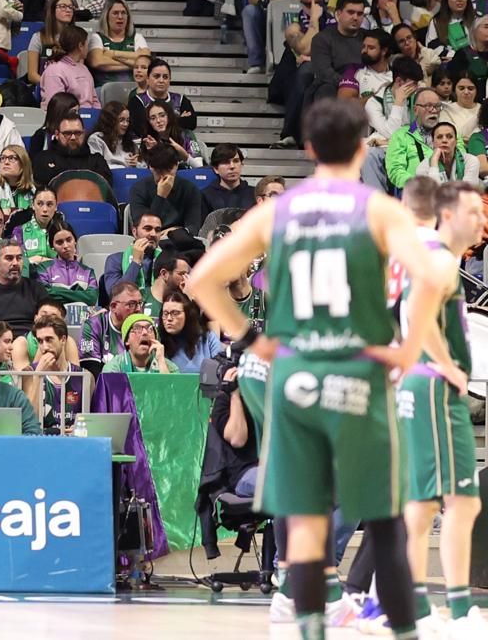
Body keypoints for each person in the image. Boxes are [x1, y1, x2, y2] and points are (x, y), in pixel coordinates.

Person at [187, 98, 460, 640]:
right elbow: (434, 277)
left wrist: (249, 339)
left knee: (307, 510)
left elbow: (200, 281)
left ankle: (308, 619)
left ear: (308, 149)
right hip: (356, 370)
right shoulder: (378, 209)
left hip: (294, 374)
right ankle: (399, 625)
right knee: (381, 507)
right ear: (364, 146)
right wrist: (407, 353)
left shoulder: (275, 211)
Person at [395, 179, 485, 636]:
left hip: (422, 386)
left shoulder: (434, 256)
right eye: (474, 212)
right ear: (448, 215)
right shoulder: (440, 260)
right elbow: (417, 306)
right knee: (453, 501)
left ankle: (416, 602)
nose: (482, 220)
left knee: (432, 502)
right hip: (433, 388)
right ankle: (455, 606)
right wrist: (449, 366)